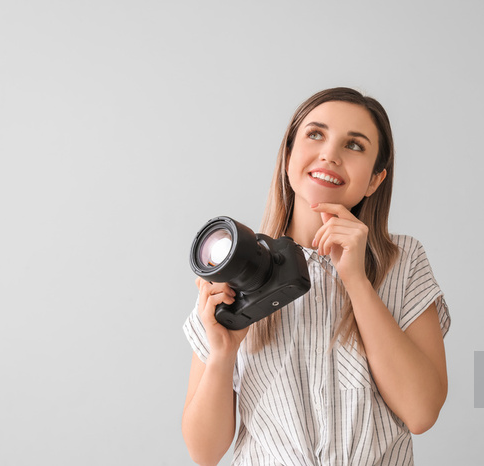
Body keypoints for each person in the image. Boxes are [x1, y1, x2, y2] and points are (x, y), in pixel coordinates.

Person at [182, 87, 451, 465]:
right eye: (315, 134)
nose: (330, 154)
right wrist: (222, 355)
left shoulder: (402, 260)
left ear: (375, 180)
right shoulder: (235, 268)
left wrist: (356, 280)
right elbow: (204, 452)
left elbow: (421, 413)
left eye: (354, 145)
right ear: (288, 155)